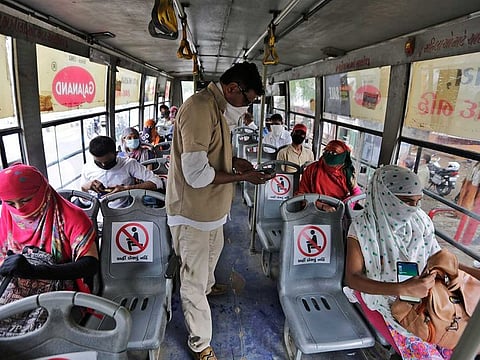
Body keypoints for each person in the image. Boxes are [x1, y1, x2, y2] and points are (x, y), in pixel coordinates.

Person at [166, 61, 273, 360]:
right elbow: (197, 175)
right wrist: (242, 178)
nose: (247, 107)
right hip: (192, 214)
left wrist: (235, 161)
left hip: (211, 212)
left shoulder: (217, 110)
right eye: (247, 99)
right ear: (231, 88)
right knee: (193, 282)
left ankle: (209, 287)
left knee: (211, 260)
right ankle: (200, 344)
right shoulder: (200, 109)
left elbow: (212, 153)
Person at [344, 165, 480, 359]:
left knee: (463, 341)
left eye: (418, 201)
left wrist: (456, 271)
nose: (413, 209)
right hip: (388, 295)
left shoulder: (420, 220)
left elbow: (434, 254)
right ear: (386, 197)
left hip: (428, 292)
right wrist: (401, 288)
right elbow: (353, 278)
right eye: (407, 202)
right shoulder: (361, 230)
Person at [0, 164, 98, 293]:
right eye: (10, 203)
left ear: (42, 192)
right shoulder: (8, 213)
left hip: (59, 286)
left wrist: (35, 271)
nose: (18, 208)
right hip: (14, 283)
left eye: (26, 200)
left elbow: (90, 264)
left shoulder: (72, 217)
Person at [81, 136, 163, 208]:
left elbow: (157, 182)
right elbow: (85, 203)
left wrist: (126, 189)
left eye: (108, 162)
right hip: (98, 214)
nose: (103, 165)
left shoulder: (129, 164)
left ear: (116, 154)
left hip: (124, 213)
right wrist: (84, 188)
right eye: (98, 162)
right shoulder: (87, 168)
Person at [296, 139, 361, 211]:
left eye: (336, 165)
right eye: (329, 165)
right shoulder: (312, 170)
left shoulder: (347, 173)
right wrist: (323, 206)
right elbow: (301, 195)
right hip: (314, 209)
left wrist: (345, 207)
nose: (333, 168)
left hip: (338, 210)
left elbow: (357, 193)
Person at [454, 161, 480, 245]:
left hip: (474, 194)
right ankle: (459, 239)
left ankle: (465, 241)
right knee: (465, 216)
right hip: (470, 191)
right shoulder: (475, 165)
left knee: (473, 219)